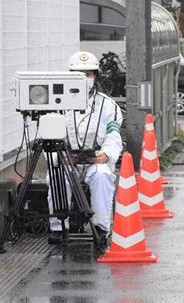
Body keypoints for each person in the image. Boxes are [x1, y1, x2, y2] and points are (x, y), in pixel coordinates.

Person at [46, 51, 123, 248]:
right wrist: (59, 157)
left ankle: (101, 228)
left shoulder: (108, 106)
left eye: (88, 74)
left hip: (94, 159)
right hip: (66, 159)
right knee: (56, 175)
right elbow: (49, 138)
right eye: (77, 74)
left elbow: (113, 135)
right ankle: (58, 227)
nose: (83, 78)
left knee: (102, 175)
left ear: (95, 76)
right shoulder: (56, 105)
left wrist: (105, 156)